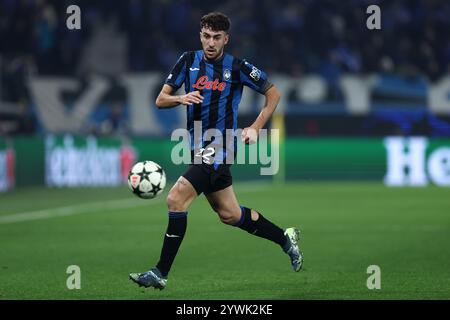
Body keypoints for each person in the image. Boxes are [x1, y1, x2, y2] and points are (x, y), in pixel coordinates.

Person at [129, 12, 303, 290]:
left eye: (217, 37)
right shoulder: (187, 61)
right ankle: (285, 238)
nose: (211, 43)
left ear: (226, 39)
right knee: (230, 214)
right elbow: (161, 100)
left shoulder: (237, 67)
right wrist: (180, 98)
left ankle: (160, 272)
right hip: (197, 148)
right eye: (206, 36)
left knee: (175, 198)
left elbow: (273, 94)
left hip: (221, 147)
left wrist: (256, 127)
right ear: (201, 35)